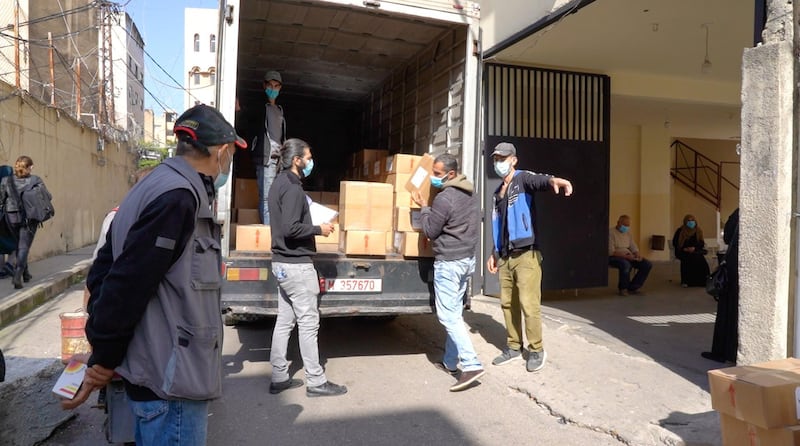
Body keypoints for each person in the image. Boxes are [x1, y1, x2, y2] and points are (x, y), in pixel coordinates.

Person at [61, 104, 246, 446]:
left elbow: (103, 269)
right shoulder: (178, 198)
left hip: (157, 374)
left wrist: (104, 347)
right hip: (171, 383)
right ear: (221, 152)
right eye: (232, 154)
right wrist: (104, 357)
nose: (229, 164)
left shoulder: (153, 186)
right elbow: (127, 282)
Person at [267, 138, 347, 398]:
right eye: (308, 157)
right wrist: (318, 229)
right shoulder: (292, 188)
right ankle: (316, 381)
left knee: (285, 321)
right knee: (309, 323)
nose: (311, 162)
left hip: (281, 263)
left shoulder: (278, 183)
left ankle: (279, 376)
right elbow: (291, 228)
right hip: (296, 265)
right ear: (296, 160)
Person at [485, 142, 573, 373]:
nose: (498, 163)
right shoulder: (497, 193)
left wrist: (554, 180)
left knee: (528, 304)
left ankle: (536, 350)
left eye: (503, 158)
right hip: (505, 257)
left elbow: (540, 180)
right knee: (507, 304)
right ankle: (514, 347)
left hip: (526, 254)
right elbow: (499, 227)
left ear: (514, 159)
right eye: (496, 159)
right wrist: (494, 253)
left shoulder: (523, 179)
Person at [411, 153, 484, 391]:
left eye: (438, 174)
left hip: (449, 263)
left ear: (451, 174)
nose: (433, 177)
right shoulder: (471, 194)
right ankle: (451, 362)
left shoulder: (445, 198)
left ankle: (471, 363)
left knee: (448, 316)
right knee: (455, 312)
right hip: (466, 260)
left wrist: (424, 207)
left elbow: (431, 230)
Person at [0, 156, 51, 289]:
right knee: (23, 246)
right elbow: (47, 196)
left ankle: (26, 274)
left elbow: (1, 199)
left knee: (20, 243)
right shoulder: (35, 180)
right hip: (29, 216)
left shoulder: (6, 180)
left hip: (11, 217)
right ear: (29, 167)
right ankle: (17, 274)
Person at [247, 70, 286, 225]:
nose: (273, 88)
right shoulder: (258, 107)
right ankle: (268, 233)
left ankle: (275, 230)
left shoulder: (281, 110)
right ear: (264, 86)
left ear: (280, 88)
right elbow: (248, 124)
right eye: (270, 85)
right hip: (265, 158)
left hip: (280, 160)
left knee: (278, 197)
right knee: (266, 197)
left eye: (276, 86)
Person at [702, 208, 739, 364]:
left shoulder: (739, 212)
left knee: (727, 311)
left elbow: (728, 236)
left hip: (734, 266)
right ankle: (735, 353)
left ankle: (722, 351)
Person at [608, 214, 653, 296]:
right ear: (618, 223)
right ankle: (623, 288)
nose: (626, 227)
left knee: (647, 264)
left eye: (628, 225)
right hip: (615, 256)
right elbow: (611, 251)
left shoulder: (628, 233)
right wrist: (626, 256)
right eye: (624, 225)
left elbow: (632, 245)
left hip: (628, 255)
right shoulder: (610, 233)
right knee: (626, 264)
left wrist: (637, 254)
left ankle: (633, 287)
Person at [672, 214, 710, 287]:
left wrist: (694, 248)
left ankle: (702, 281)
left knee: (700, 258)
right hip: (682, 251)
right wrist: (685, 248)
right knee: (688, 258)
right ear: (685, 221)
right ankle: (686, 281)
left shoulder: (698, 231)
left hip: (695, 250)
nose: (691, 222)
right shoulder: (680, 231)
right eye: (689, 220)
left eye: (692, 220)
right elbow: (675, 242)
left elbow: (701, 243)